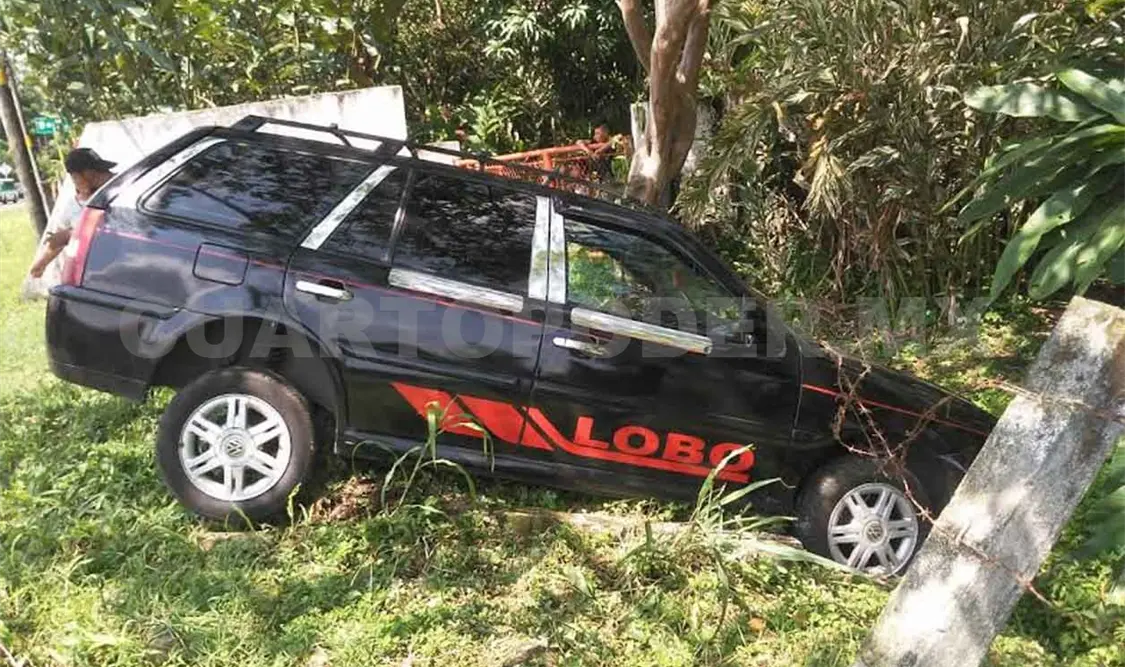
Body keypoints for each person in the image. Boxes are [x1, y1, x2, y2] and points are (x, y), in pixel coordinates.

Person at [28, 148, 116, 278]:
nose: (106, 175)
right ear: (77, 177)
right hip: (91, 274)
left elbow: (115, 230)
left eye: (103, 171)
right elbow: (58, 240)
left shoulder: (116, 195)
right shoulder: (71, 206)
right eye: (96, 173)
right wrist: (41, 264)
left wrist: (71, 234)